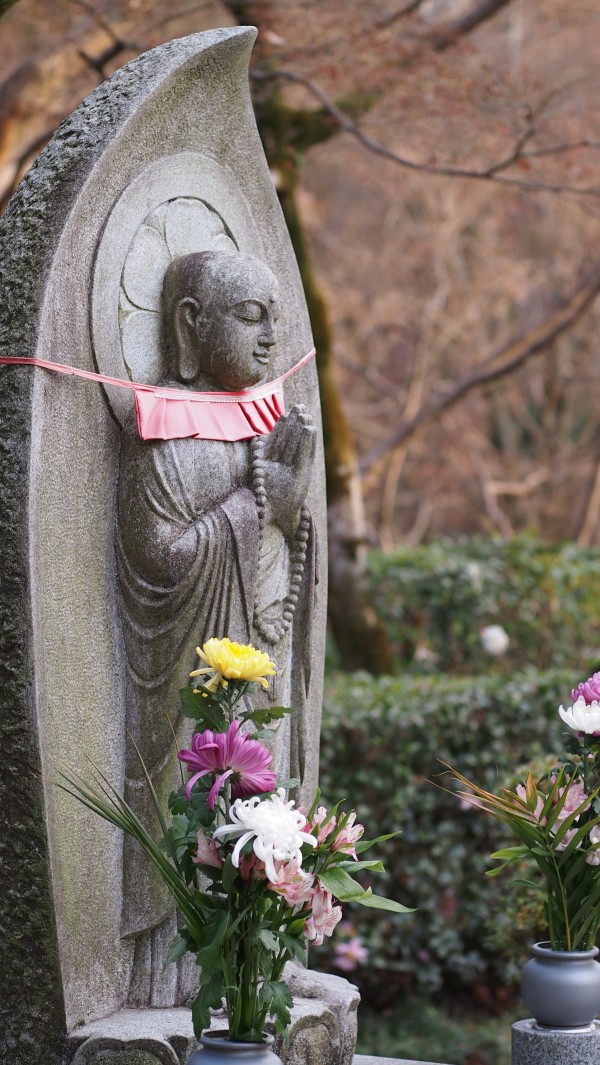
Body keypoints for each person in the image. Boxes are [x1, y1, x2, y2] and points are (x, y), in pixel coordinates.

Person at [115, 250, 317, 1005]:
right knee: (192, 794)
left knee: (266, 779)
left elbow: (287, 569)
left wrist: (288, 514)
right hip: (183, 679)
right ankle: (176, 974)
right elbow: (158, 564)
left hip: (256, 654)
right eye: (249, 316)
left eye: (275, 318)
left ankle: (264, 954)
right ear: (191, 325)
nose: (270, 339)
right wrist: (258, 509)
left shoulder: (265, 428)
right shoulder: (164, 437)